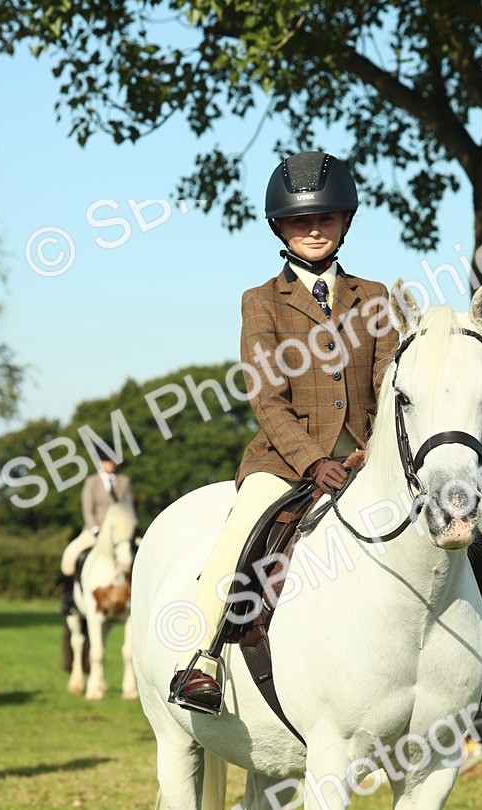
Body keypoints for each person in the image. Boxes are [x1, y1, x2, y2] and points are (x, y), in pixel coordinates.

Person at [169, 151, 398, 712]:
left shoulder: (374, 297)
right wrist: (312, 460)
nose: (314, 229)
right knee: (236, 544)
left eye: (325, 218)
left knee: (458, 521)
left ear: (345, 221)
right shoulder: (262, 302)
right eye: (301, 221)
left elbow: (390, 383)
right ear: (280, 227)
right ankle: (203, 660)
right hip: (284, 461)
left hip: (371, 460)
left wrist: (373, 452)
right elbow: (266, 398)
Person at [59, 453, 134, 614]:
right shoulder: (91, 482)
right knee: (69, 558)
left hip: (120, 534)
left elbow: (128, 509)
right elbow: (88, 510)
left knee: (143, 552)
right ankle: (69, 599)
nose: (110, 464)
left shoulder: (124, 481)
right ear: (100, 462)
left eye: (113, 460)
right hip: (94, 531)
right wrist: (95, 529)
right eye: (107, 460)